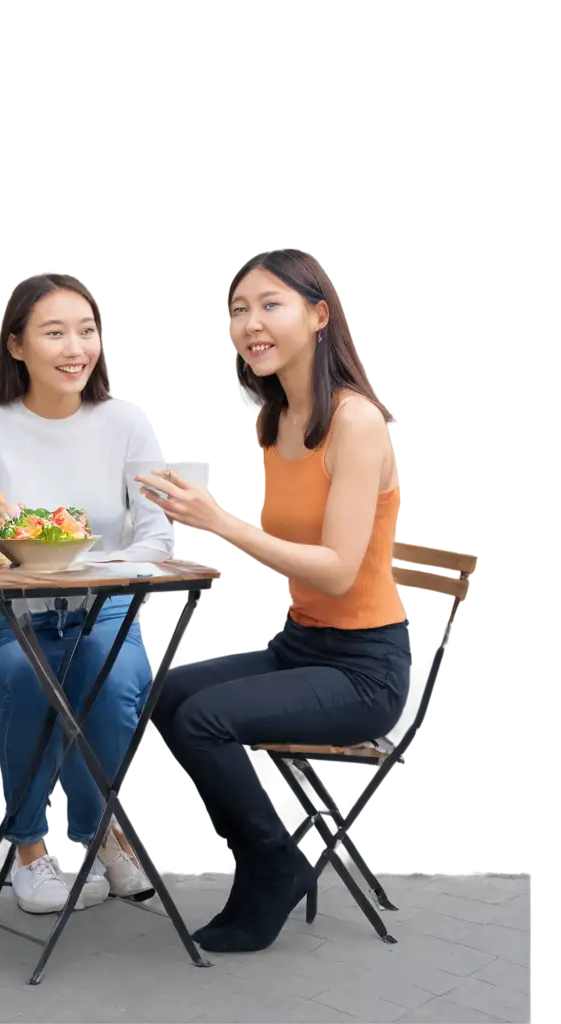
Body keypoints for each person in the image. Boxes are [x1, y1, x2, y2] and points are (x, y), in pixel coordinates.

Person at [136, 246, 411, 954]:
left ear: (318, 316)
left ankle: (273, 862)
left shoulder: (356, 422)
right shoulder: (276, 418)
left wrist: (223, 524)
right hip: (301, 643)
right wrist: (191, 535)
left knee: (205, 720)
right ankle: (263, 860)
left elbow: (340, 572)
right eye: (237, 310)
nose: (251, 323)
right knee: (165, 697)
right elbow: (284, 546)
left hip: (363, 668)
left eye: (269, 305)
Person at [0, 266, 174, 914]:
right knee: (21, 679)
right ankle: (30, 853)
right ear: (17, 345)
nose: (75, 348)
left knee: (109, 684)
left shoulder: (129, 423)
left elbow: (161, 538)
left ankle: (103, 835)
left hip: (110, 609)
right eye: (54, 332)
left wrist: (82, 565)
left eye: (86, 331)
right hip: (23, 617)